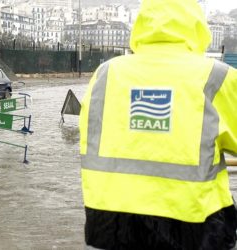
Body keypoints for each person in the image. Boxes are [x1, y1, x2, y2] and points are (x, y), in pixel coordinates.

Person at [79, 0, 237, 249]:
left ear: (141, 24)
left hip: (112, 222)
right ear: (198, 26)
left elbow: (89, 136)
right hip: (194, 224)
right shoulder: (217, 76)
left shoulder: (106, 73)